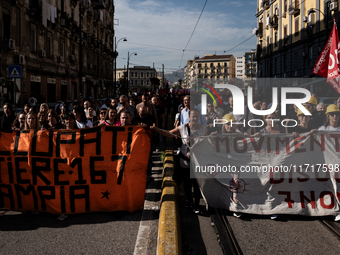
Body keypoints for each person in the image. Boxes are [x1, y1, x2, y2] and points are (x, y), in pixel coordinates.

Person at [152, 109, 207, 214]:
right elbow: (169, 133)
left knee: (196, 185)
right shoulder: (183, 128)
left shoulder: (203, 130)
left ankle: (196, 205)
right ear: (189, 117)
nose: (195, 118)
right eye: (193, 116)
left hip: (197, 163)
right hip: (185, 162)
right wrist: (157, 130)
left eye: (197, 117)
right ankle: (189, 201)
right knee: (187, 184)